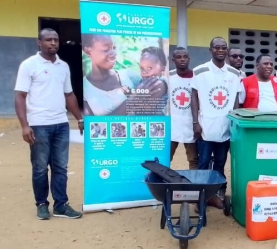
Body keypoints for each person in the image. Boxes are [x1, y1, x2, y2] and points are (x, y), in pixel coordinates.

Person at [14, 28, 84, 220]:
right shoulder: (29, 65)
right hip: (38, 124)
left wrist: (79, 118)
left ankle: (61, 205)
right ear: (39, 43)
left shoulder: (63, 66)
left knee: (61, 167)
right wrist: (24, 125)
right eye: (48, 40)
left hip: (61, 123)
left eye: (55, 40)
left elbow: (69, 95)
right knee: (40, 167)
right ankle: (42, 204)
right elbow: (20, 96)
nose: (53, 43)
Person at [190, 37, 242, 208]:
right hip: (206, 126)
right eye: (217, 47)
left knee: (220, 162)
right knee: (203, 162)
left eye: (223, 47)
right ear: (210, 49)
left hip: (226, 127)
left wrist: (234, 120)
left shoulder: (234, 74)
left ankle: (217, 193)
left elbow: (235, 97)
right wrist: (195, 122)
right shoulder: (200, 70)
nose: (220, 50)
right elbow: (194, 96)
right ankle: (201, 196)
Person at [81, 34, 164, 116]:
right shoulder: (85, 88)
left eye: (114, 48)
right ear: (88, 51)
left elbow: (157, 87)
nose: (114, 53)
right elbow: (93, 125)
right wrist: (133, 100)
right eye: (106, 49)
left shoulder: (129, 76)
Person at [169, 47, 198, 169]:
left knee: (194, 159)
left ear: (189, 59)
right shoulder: (168, 77)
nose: (182, 59)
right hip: (172, 123)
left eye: (185, 57)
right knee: (165, 157)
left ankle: (193, 183)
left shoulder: (197, 77)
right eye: (179, 57)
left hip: (191, 123)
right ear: (173, 60)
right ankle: (163, 184)